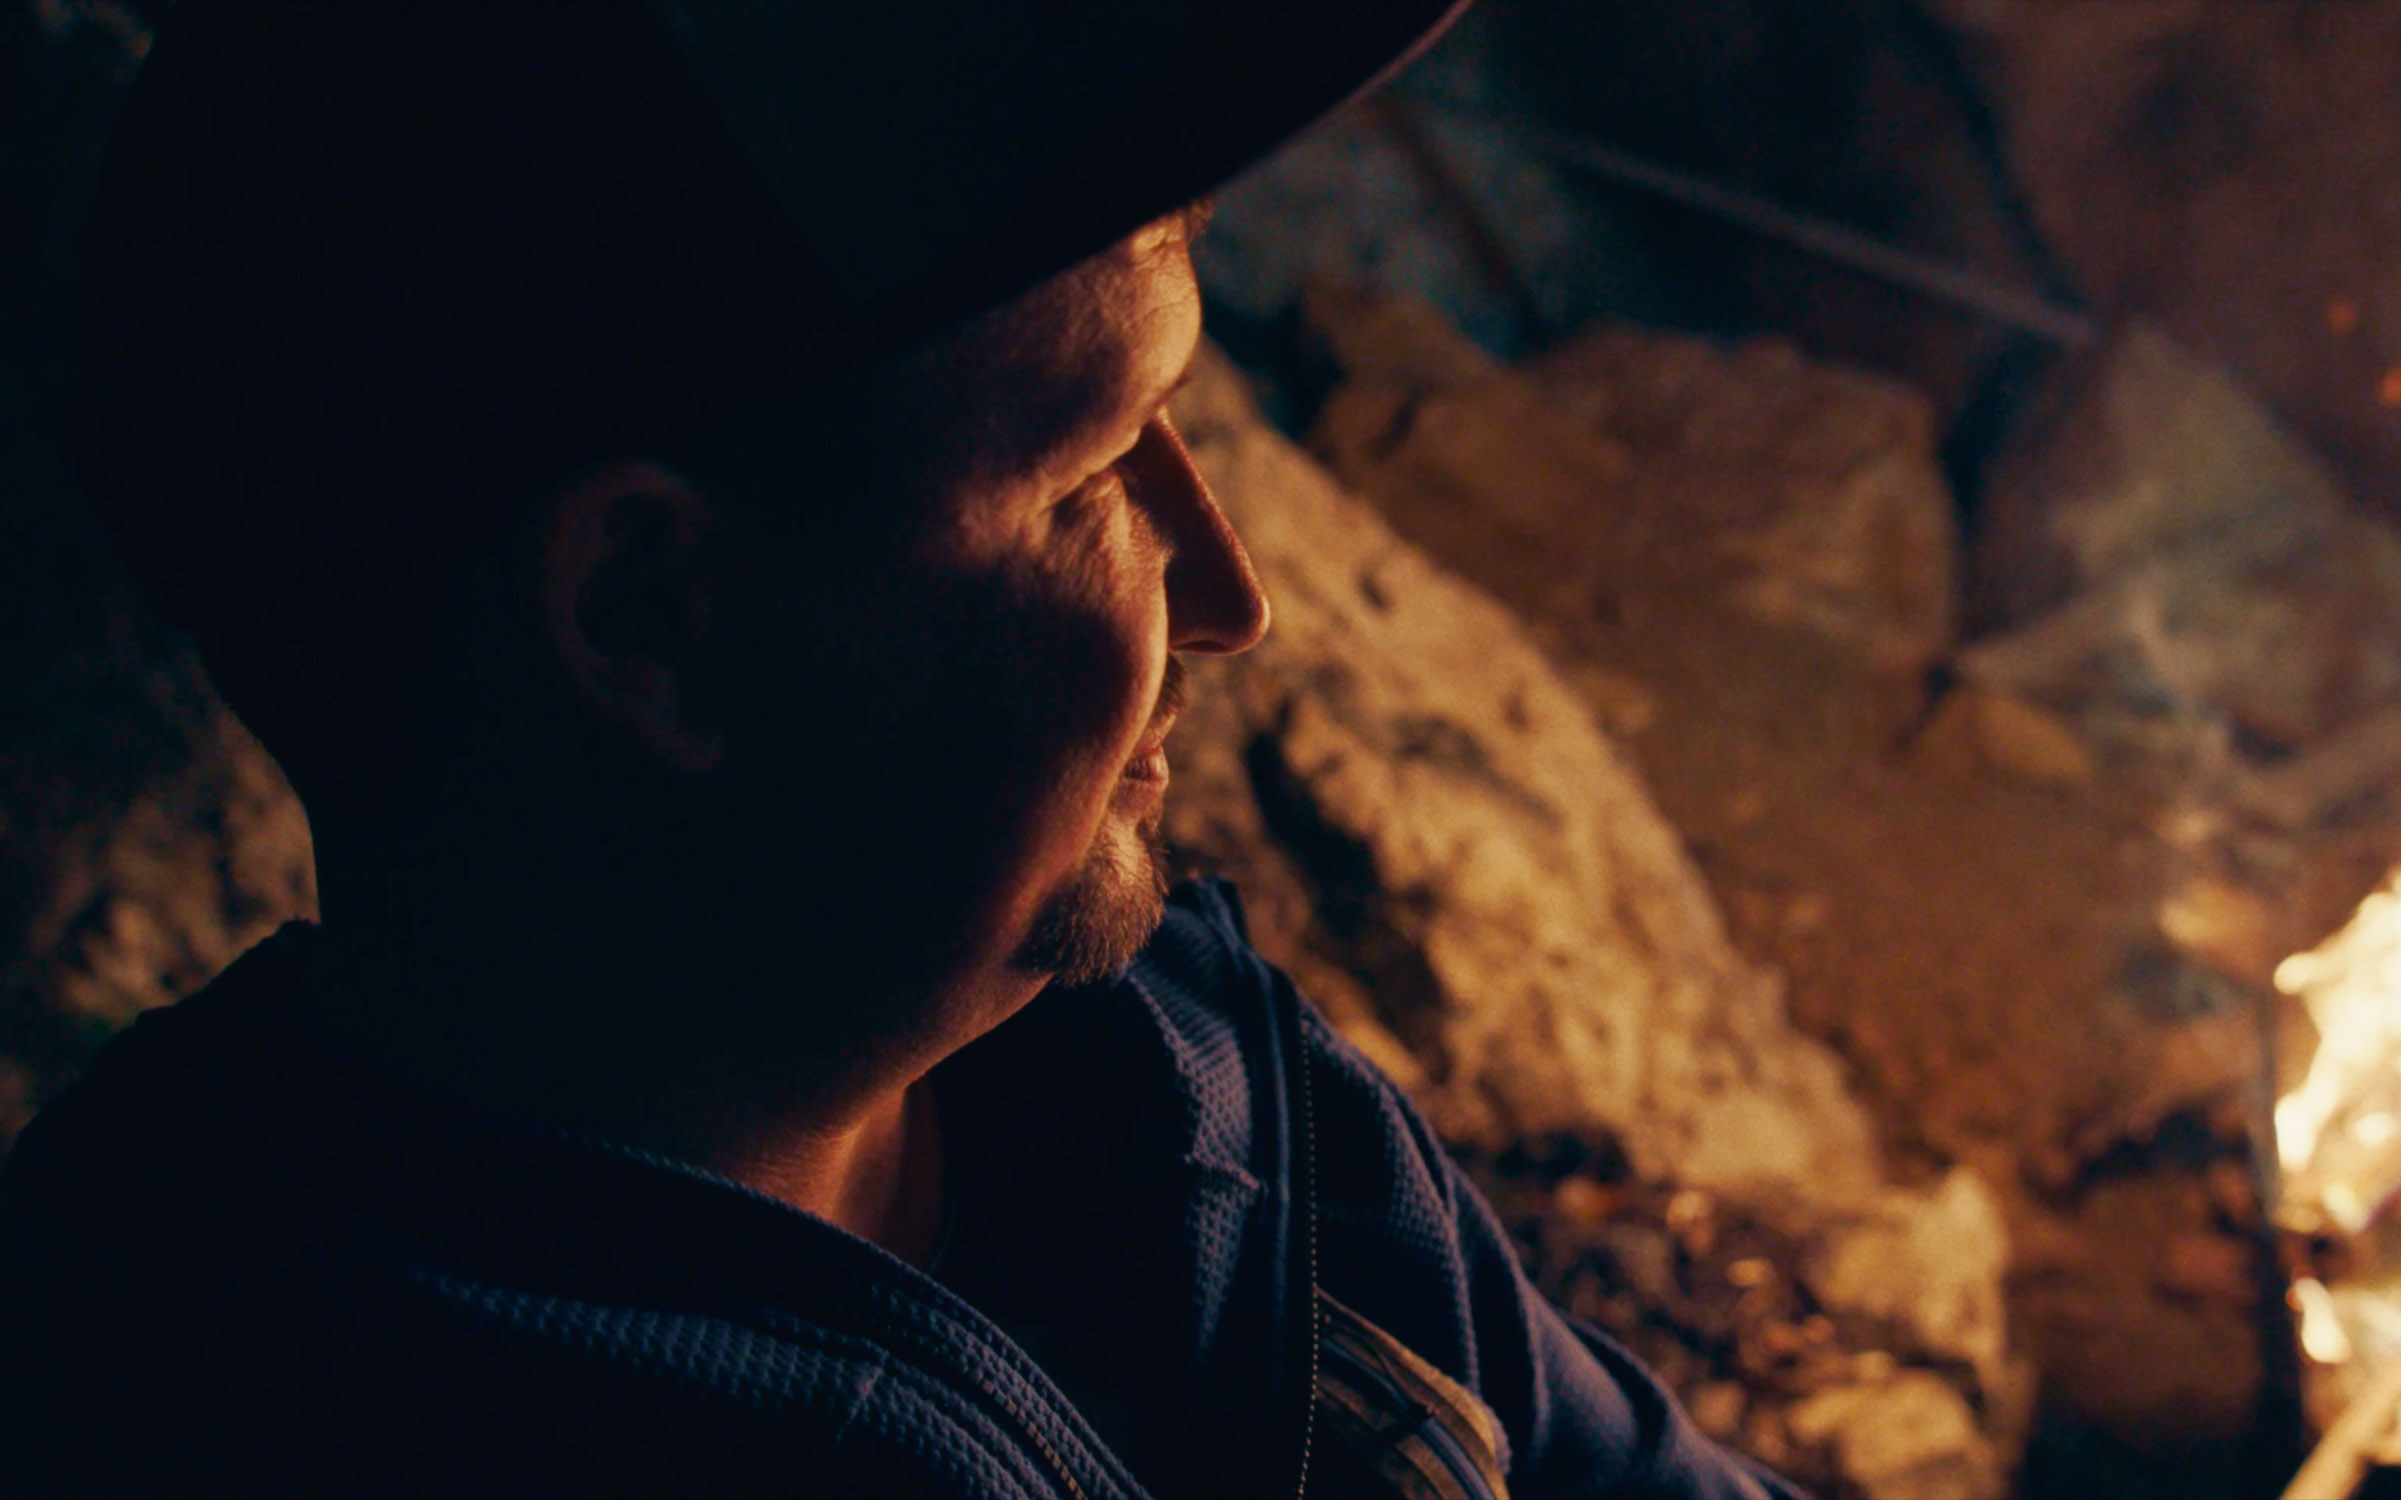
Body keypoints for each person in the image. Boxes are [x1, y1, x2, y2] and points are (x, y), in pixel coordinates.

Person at [0, 5, 1798, 1497]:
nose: (1230, 595)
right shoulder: (198, 1409)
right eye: (1094, 470)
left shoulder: (1192, 1085)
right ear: (652, 618)